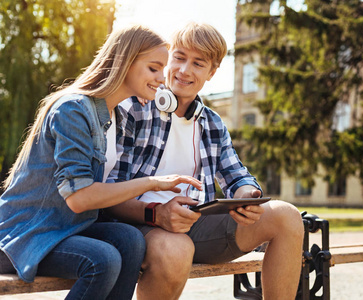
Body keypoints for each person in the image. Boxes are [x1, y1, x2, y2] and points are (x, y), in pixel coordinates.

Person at [0, 24, 202, 300]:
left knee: (130, 240)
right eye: (153, 68)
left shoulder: (109, 114)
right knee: (102, 260)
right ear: (126, 62)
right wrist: (154, 182)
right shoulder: (72, 109)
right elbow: (79, 197)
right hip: (27, 235)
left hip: (66, 227)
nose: (161, 79)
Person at [106, 22, 304, 300]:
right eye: (179, 57)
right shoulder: (133, 108)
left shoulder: (212, 122)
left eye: (198, 63)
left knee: (287, 216)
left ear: (211, 72)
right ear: (167, 58)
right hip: (143, 225)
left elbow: (237, 176)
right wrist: (158, 214)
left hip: (198, 224)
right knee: (177, 248)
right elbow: (109, 192)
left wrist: (247, 196)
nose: (185, 70)